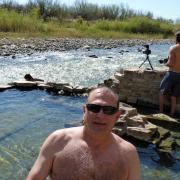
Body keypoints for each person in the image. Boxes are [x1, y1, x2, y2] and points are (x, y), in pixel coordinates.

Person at [26, 86, 140, 180]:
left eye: (108, 110)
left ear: (117, 116)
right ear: (84, 110)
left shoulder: (128, 153)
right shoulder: (58, 141)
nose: (100, 115)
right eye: (94, 108)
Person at [159, 31, 180, 117]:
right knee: (174, 96)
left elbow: (171, 63)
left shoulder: (173, 48)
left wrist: (165, 63)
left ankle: (160, 112)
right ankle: (172, 114)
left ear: (176, 39)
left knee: (161, 92)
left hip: (172, 74)